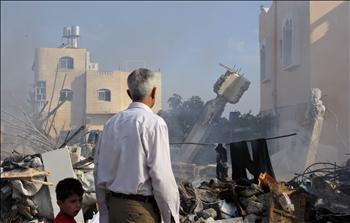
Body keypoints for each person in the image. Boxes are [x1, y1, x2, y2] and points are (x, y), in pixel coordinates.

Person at [94, 68, 180, 223]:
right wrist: (171, 217)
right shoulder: (154, 123)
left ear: (129, 94)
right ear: (154, 92)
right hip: (139, 212)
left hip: (114, 208)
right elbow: (161, 177)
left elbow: (98, 171)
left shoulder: (110, 124)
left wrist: (105, 214)